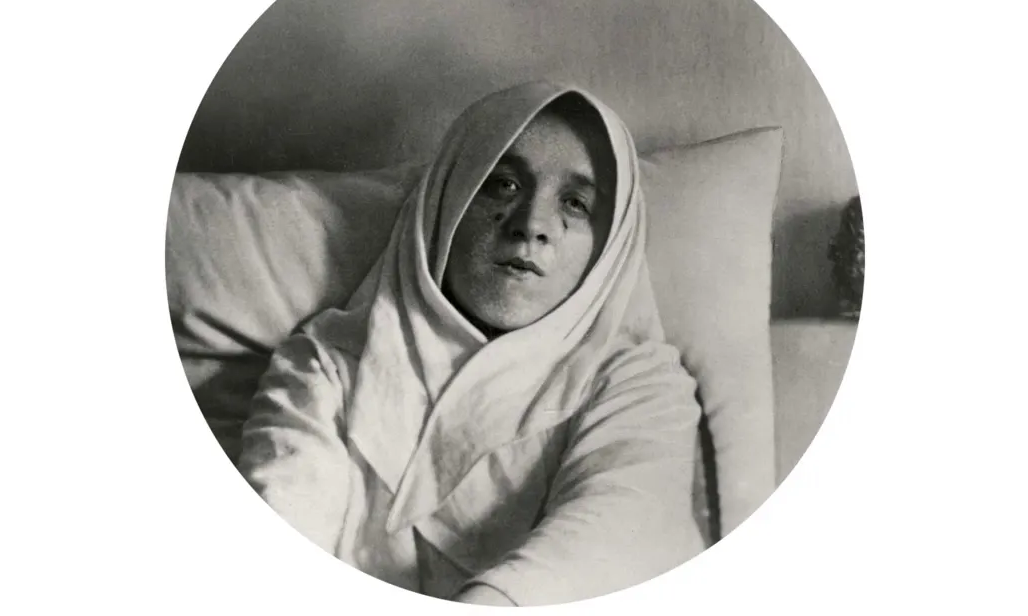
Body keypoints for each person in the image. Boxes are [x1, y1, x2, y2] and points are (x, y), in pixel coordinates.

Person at [237, 81, 705, 606]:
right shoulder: (327, 365)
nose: (531, 225)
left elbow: (614, 526)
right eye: (503, 184)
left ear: (609, 247)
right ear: (446, 202)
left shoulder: (637, 384)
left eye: (575, 203)